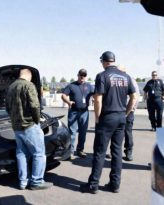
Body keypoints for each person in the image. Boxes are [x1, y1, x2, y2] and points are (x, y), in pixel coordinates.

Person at [80, 51, 136, 194]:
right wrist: (126, 113)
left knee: (99, 152)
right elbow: (134, 98)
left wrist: (98, 118)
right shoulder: (126, 76)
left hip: (107, 117)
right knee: (117, 152)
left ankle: (93, 185)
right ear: (114, 61)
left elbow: (98, 99)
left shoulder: (102, 76)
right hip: (121, 117)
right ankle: (115, 185)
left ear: (104, 61)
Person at [5, 68, 52, 190]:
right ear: (28, 76)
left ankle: (23, 182)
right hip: (29, 125)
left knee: (21, 154)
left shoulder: (10, 87)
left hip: (16, 127)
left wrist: (15, 119)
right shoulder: (29, 85)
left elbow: (7, 107)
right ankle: (36, 181)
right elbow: (35, 105)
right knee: (39, 154)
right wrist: (37, 120)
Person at [61, 69, 94, 159]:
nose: (82, 77)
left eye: (84, 75)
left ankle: (80, 150)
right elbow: (63, 95)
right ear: (78, 75)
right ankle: (70, 152)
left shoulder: (89, 86)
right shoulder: (71, 85)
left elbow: (96, 94)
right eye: (81, 75)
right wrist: (68, 102)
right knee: (72, 132)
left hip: (84, 112)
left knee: (83, 132)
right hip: (74, 112)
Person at [117, 65, 139, 161]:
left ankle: (128, 152)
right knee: (116, 132)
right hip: (118, 110)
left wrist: (129, 111)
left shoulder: (130, 80)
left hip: (127, 111)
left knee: (127, 132)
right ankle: (116, 152)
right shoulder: (118, 80)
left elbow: (135, 97)